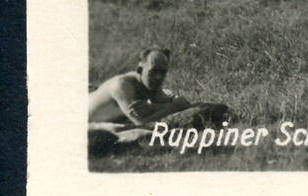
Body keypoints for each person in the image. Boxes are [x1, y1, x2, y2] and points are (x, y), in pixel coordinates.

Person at [87, 47, 230, 153]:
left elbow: (177, 103)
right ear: (139, 70)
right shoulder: (122, 86)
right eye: (154, 71)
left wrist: (170, 103)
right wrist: (171, 107)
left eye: (163, 72)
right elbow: (141, 123)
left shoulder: (148, 84)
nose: (159, 77)